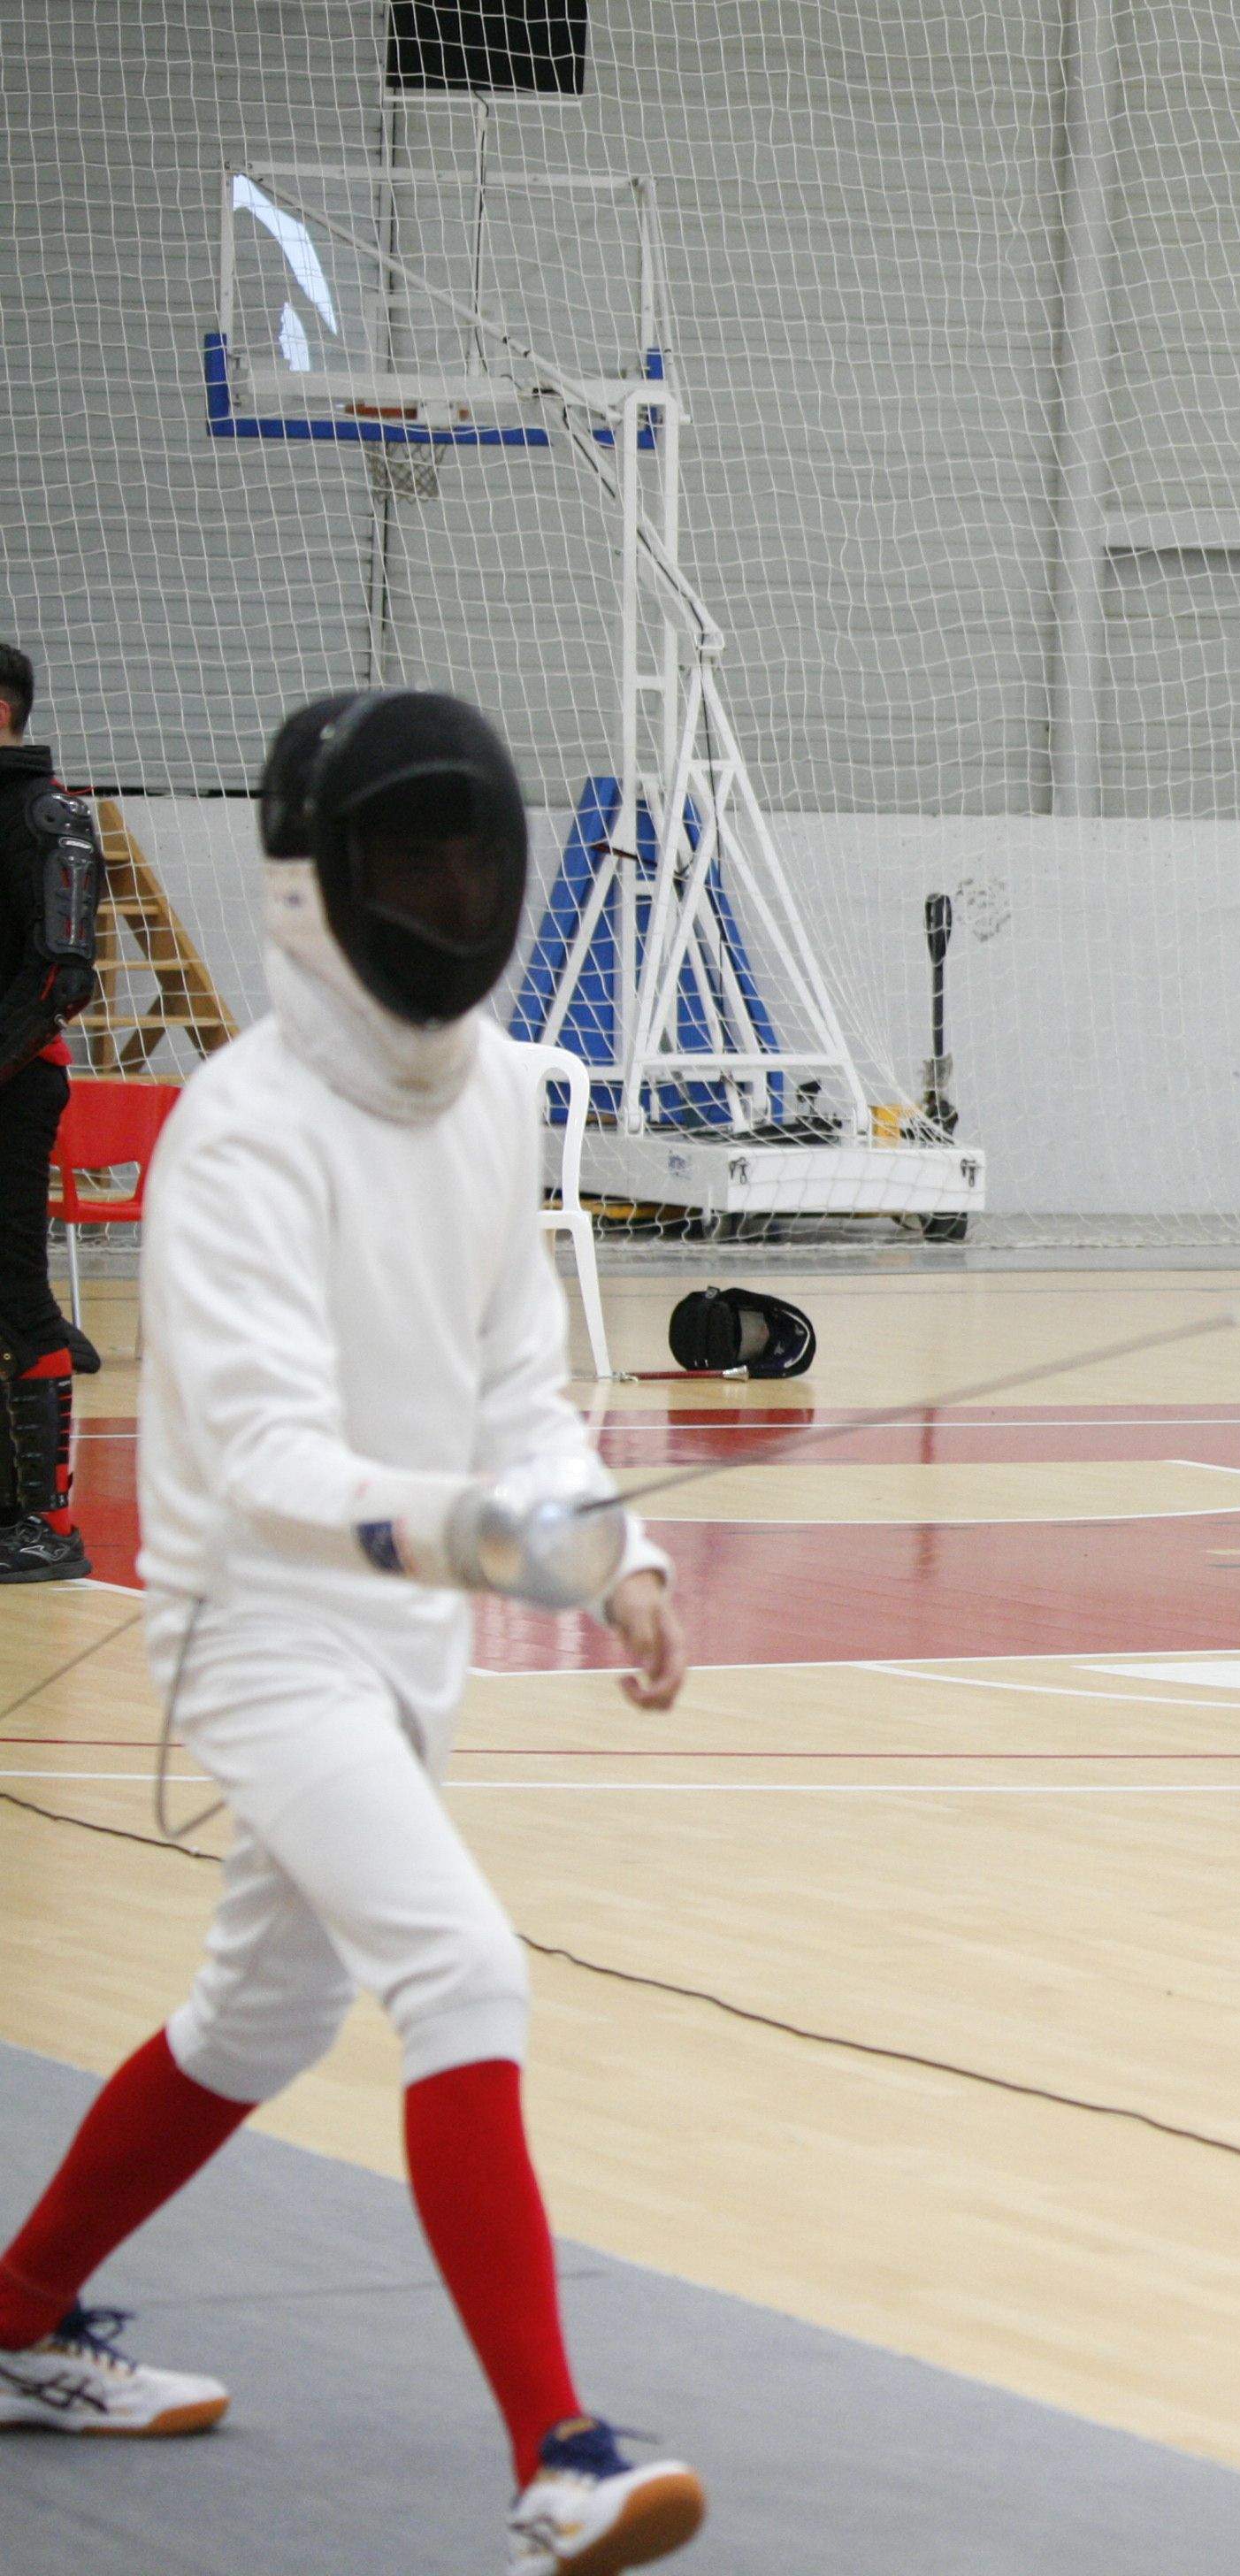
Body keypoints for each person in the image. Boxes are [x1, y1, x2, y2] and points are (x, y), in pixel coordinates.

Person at [0, 690, 711, 2576]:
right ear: (320, 886)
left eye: (472, 854)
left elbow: (513, 1393)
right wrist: (496, 1537)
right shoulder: (243, 1132)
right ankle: (558, 2458)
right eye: (413, 859)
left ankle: (15, 2317)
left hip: (406, 1634)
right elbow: (266, 1460)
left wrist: (610, 1547)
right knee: (463, 1971)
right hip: (262, 1634)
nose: (449, 890)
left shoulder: (483, 1093)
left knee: (264, 2008)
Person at [0, 640, 106, 1582]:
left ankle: (50, 1525)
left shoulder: (50, 818)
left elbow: (63, 974)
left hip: (16, 1085)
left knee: (19, 1298)